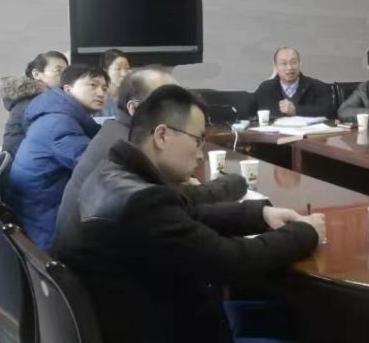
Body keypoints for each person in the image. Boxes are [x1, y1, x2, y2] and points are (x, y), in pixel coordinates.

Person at [52, 85, 343, 343]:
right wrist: (305, 233)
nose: (202, 151)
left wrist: (259, 215)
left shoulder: (113, 173)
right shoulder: (143, 201)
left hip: (130, 337)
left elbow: (183, 213)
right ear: (162, 135)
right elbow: (232, 261)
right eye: (197, 139)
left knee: (284, 316)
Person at [53, 65, 247, 247]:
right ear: (135, 109)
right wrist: (232, 185)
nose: (181, 109)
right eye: (169, 103)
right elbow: (180, 201)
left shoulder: (116, 131)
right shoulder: (127, 147)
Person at [6, 64, 108, 249]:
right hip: (45, 229)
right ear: (68, 89)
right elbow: (96, 168)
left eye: (104, 88)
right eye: (92, 85)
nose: (101, 93)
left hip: (34, 214)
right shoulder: (59, 123)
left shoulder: (56, 114)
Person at [0, 50, 68, 158]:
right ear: (36, 74)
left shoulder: (43, 100)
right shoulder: (35, 103)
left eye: (67, 72)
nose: (65, 76)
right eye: (58, 71)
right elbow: (50, 141)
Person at [255, 47, 334, 119]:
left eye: (294, 62)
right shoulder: (266, 88)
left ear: (300, 63)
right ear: (275, 66)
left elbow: (329, 112)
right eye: (284, 63)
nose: (290, 67)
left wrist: (296, 110)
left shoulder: (317, 86)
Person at [97, 48, 131, 120]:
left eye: (127, 68)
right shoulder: (97, 98)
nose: (124, 74)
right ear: (105, 71)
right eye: (118, 69)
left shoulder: (132, 97)